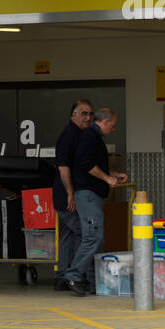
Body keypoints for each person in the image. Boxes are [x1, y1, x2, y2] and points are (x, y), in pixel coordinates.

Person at [68, 107, 128, 296]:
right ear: (106, 122)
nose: (114, 129)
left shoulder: (95, 139)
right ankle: (74, 275)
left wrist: (113, 175)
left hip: (93, 194)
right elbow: (86, 165)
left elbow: (95, 167)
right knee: (93, 237)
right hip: (87, 195)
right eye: (114, 125)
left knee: (96, 240)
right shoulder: (89, 137)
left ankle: (94, 283)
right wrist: (107, 179)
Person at [53, 99, 94, 291]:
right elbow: (63, 168)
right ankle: (75, 275)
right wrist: (70, 193)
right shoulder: (69, 136)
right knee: (85, 233)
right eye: (83, 113)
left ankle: (62, 276)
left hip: (70, 195)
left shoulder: (80, 135)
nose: (87, 117)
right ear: (74, 115)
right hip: (67, 196)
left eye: (90, 114)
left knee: (69, 235)